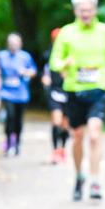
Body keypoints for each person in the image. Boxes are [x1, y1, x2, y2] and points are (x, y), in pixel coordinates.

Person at [49, 0, 105, 201]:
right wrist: (64, 64)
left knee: (95, 134)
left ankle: (96, 180)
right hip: (74, 90)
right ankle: (79, 176)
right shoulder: (67, 33)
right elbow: (54, 61)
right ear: (75, 11)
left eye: (89, 10)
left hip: (99, 88)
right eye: (82, 10)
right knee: (78, 137)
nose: (86, 13)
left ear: (95, 9)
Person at [0, 33, 37, 156]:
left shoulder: (25, 57)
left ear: (20, 44)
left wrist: (25, 72)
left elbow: (33, 72)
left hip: (21, 93)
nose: (13, 45)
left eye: (15, 43)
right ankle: (9, 143)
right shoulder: (2, 56)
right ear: (7, 44)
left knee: (18, 120)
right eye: (11, 43)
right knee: (10, 116)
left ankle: (18, 144)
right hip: (6, 92)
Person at [42, 28, 71, 165]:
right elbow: (46, 69)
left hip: (69, 93)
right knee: (56, 121)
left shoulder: (72, 53)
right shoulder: (49, 54)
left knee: (66, 125)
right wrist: (46, 78)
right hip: (55, 92)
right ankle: (54, 151)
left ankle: (62, 149)